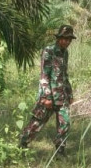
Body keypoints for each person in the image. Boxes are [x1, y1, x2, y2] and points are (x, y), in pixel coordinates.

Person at [19, 24, 76, 156]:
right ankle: (22, 145)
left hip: (62, 96)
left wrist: (70, 93)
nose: (67, 42)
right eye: (64, 39)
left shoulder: (65, 53)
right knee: (37, 123)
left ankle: (60, 151)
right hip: (48, 95)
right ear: (59, 38)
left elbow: (64, 75)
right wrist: (47, 97)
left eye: (69, 40)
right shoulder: (49, 51)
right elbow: (44, 75)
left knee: (65, 123)